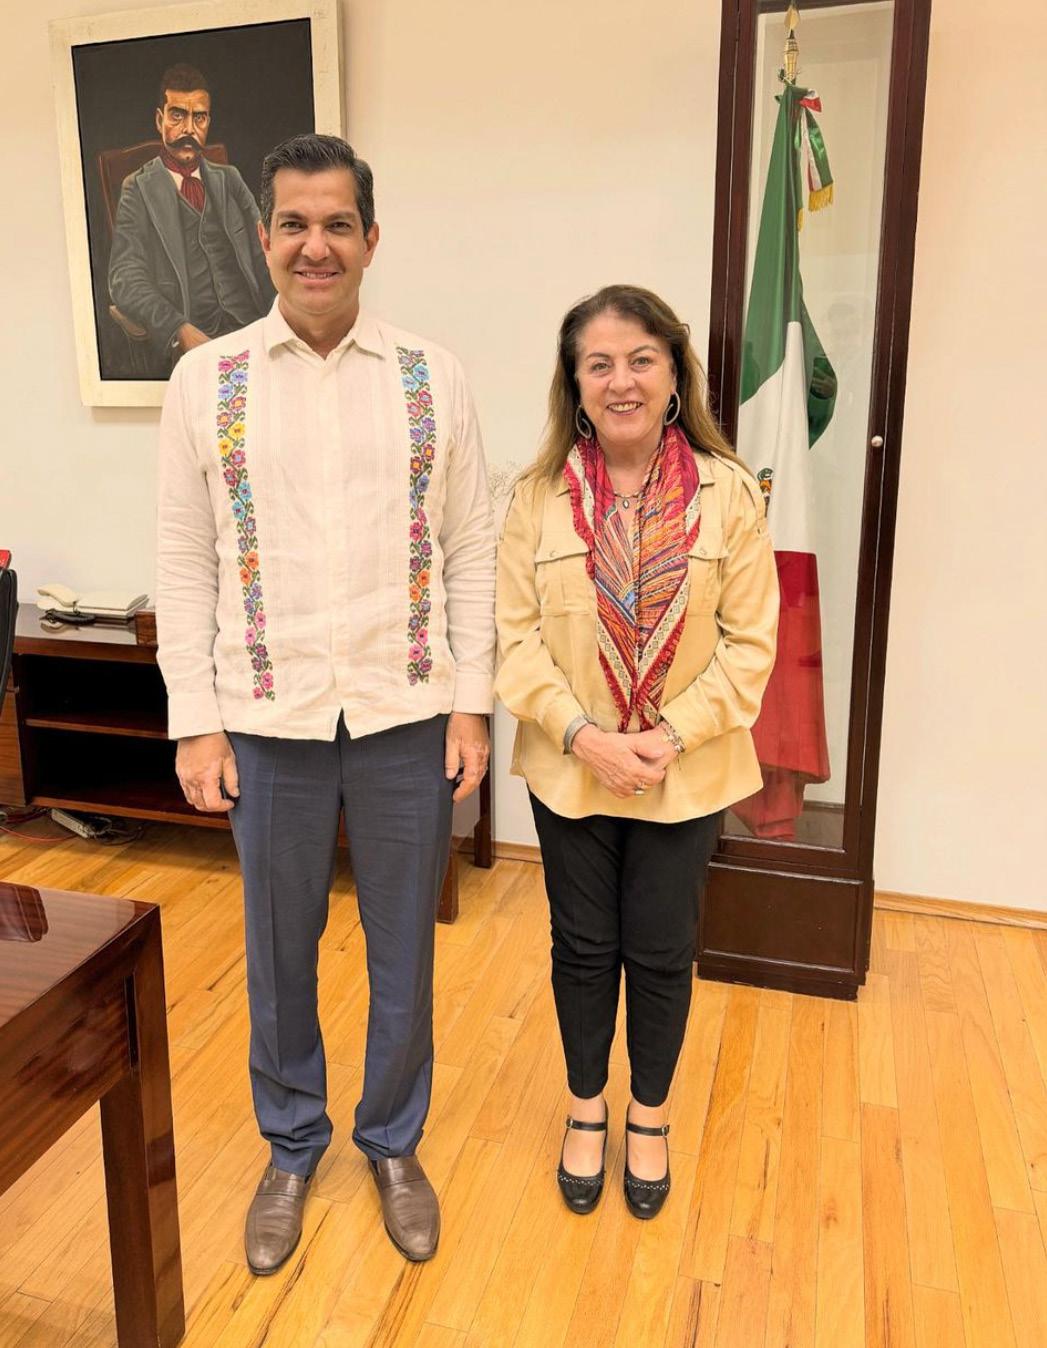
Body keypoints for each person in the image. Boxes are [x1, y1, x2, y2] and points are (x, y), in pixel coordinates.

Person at [156, 133, 495, 1270]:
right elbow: (184, 559)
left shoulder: (431, 377)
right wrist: (195, 718)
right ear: (263, 238)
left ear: (370, 239)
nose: (316, 246)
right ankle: (291, 1143)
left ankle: (392, 1141)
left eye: (337, 224)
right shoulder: (209, 382)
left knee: (404, 948)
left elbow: (470, 548)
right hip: (266, 717)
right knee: (276, 950)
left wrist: (471, 702)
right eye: (295, 224)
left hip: (405, 713)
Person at [495, 285, 778, 1220]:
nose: (621, 381)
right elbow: (513, 641)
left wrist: (664, 737)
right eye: (599, 364)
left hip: (682, 769)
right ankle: (586, 1108)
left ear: (672, 375)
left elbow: (751, 645)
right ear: (575, 385)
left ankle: (647, 1117)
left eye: (640, 359)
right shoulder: (534, 499)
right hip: (569, 767)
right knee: (581, 947)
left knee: (660, 950)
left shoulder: (728, 495)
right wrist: (585, 738)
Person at [108, 63, 275, 374]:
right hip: (197, 343)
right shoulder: (138, 189)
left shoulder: (230, 179)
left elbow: (267, 252)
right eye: (177, 116)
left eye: (199, 117)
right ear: (159, 120)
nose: (188, 129)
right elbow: (124, 278)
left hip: (253, 329)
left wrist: (280, 322)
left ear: (208, 122)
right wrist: (178, 328)